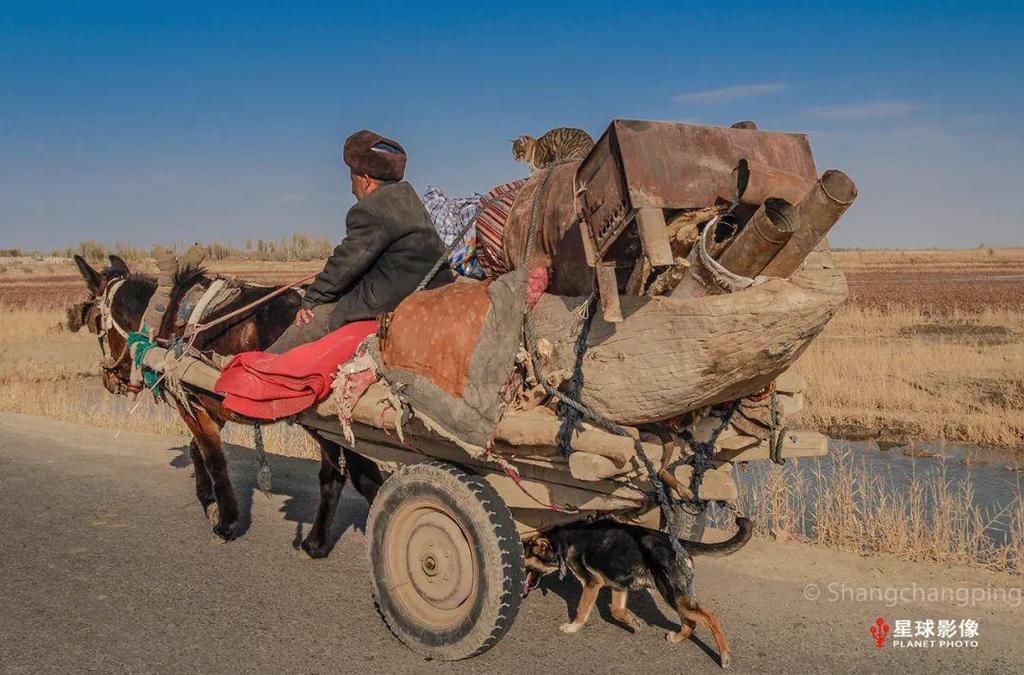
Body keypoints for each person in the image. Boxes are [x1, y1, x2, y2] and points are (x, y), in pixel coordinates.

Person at [267, 130, 452, 353]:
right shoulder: (407, 199)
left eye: (352, 180)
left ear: (365, 180)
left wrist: (312, 299)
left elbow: (347, 263)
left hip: (393, 300)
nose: (351, 188)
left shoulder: (371, 209)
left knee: (307, 326)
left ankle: (261, 373)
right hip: (435, 290)